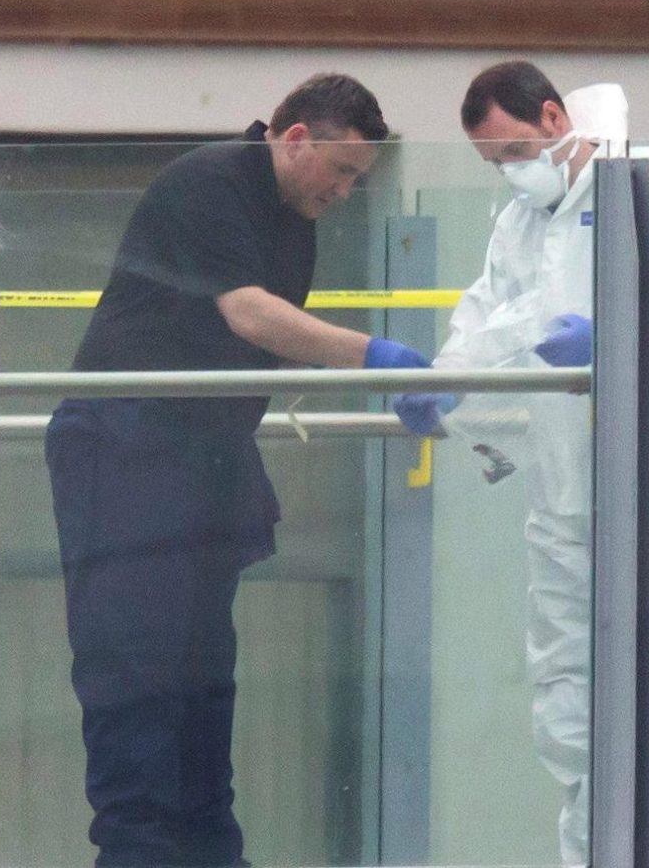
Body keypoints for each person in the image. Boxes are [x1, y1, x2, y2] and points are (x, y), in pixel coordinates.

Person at [45, 74, 428, 868]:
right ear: (295, 140)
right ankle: (140, 851)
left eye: (358, 180)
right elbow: (249, 313)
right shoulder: (210, 181)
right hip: (126, 450)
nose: (347, 192)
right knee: (135, 670)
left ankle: (211, 848)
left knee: (203, 679)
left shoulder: (295, 218)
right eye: (343, 171)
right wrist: (374, 356)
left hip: (203, 457)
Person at [395, 61, 649, 866]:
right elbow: (485, 319)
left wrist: (617, 332)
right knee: (568, 693)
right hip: (563, 488)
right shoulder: (519, 222)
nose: (507, 172)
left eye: (514, 150)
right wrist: (443, 387)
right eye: (491, 161)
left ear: (556, 118)